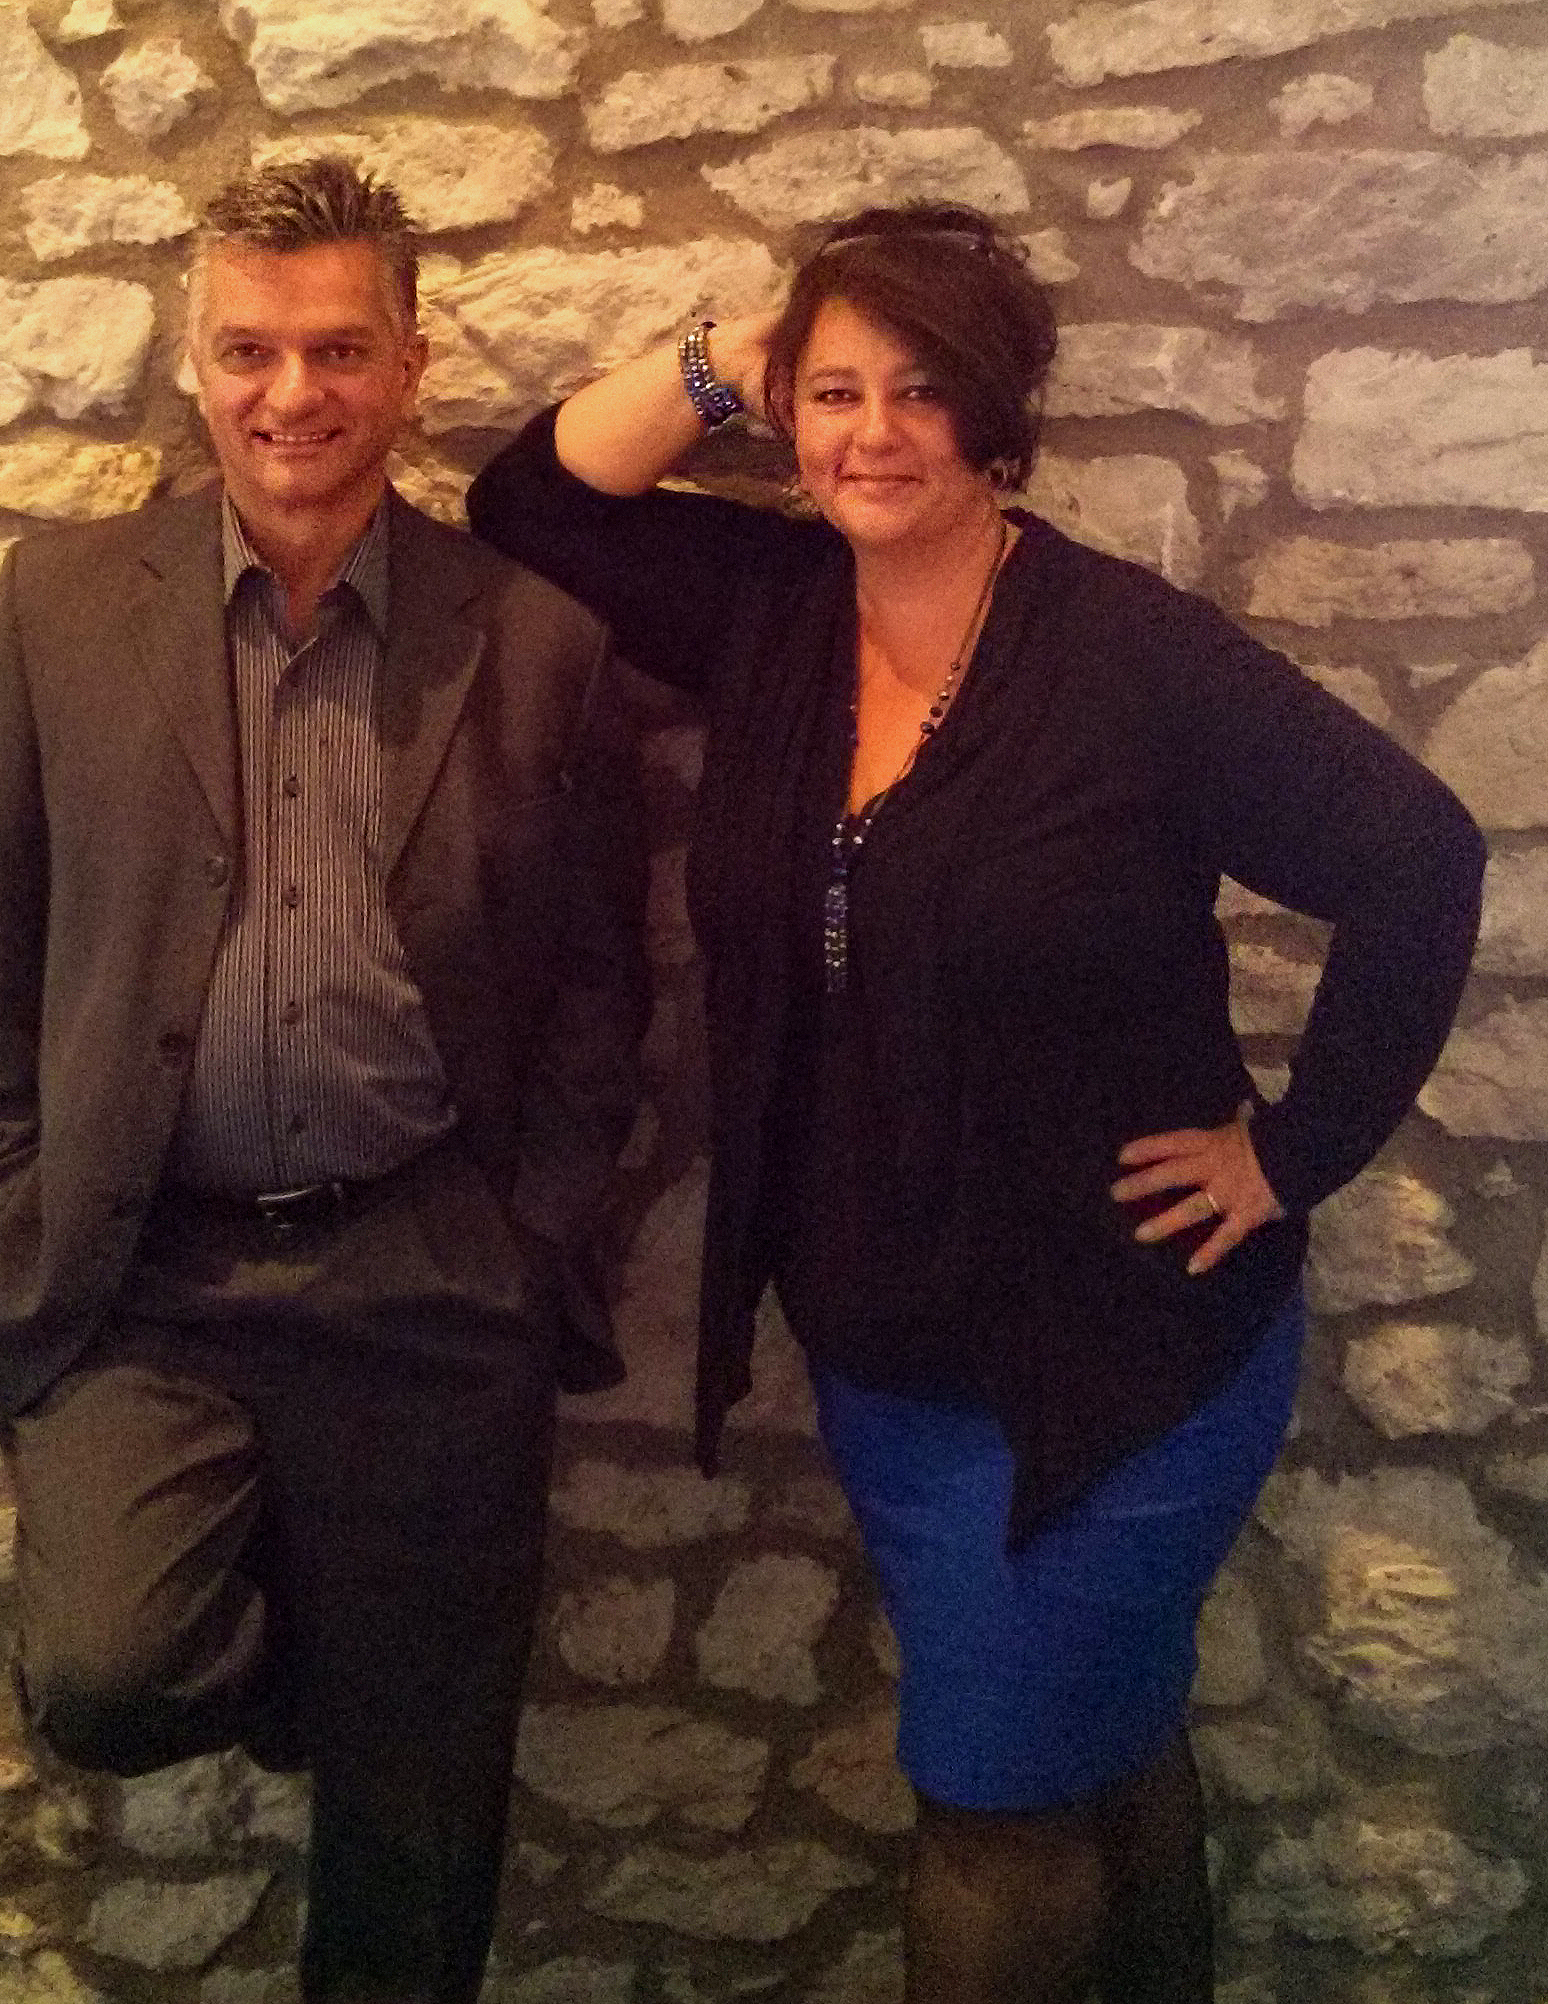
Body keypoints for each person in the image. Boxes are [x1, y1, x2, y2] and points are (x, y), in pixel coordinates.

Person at [465, 203, 1486, 2002]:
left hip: (1126, 1353)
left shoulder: (1127, 659)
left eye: (921, 391)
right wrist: (732, 353)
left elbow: (1418, 858)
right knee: (1101, 1749)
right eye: (835, 392)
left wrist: (1295, 1150)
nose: (872, 433)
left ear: (999, 424)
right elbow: (530, 504)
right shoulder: (776, 611)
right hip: (898, 1362)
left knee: (992, 1818)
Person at [0, 155, 647, 2004]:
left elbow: (596, 993)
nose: (291, 393)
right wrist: (14, 1240)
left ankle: (383, 1708)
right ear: (195, 361)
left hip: (427, 1278)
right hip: (147, 1277)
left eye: (338, 348)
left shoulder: (534, 638)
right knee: (108, 1675)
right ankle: (324, 1660)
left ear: (409, 364)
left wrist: (529, 1249)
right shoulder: (61, 608)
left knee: (419, 1827)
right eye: (248, 349)